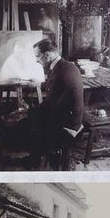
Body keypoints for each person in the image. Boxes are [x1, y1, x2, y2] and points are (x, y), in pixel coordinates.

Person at [29, 37, 84, 170]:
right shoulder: (66, 65)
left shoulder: (60, 73)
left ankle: (36, 159)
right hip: (73, 117)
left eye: (37, 56)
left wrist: (28, 111)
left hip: (68, 126)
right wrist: (40, 84)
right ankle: (37, 154)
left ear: (46, 55)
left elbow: (50, 106)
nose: (36, 60)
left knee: (30, 120)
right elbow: (57, 87)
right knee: (34, 116)